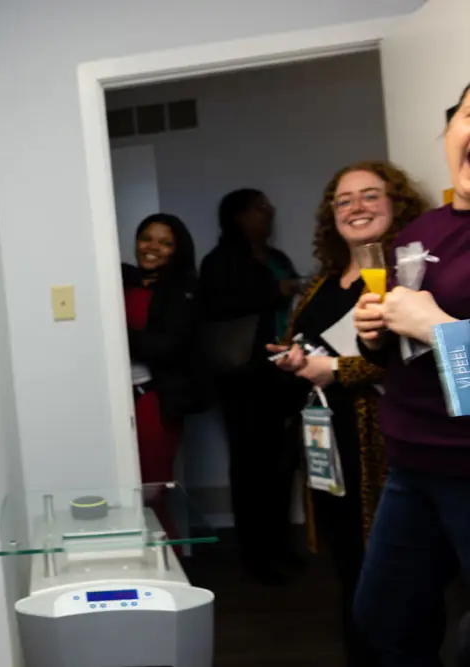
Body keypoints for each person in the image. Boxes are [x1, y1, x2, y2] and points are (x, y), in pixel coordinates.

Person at [266, 161, 429, 667]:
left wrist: (335, 369)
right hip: (328, 449)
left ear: (396, 203)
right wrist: (295, 358)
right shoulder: (322, 284)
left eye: (370, 195)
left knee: (395, 584)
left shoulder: (410, 275)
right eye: (343, 200)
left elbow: (415, 357)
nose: (356, 207)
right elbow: (306, 342)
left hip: (386, 447)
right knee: (350, 571)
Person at [351, 82, 470, 667]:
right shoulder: (420, 231)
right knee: (384, 620)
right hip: (411, 466)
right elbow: (400, 350)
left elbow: (431, 330)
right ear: (449, 133)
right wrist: (373, 335)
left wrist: (438, 326)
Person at [199, 188, 302, 583]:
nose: (269, 211)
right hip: (242, 379)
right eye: (260, 207)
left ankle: (281, 545)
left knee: (283, 464)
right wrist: (275, 291)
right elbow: (215, 308)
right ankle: (256, 556)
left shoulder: (276, 258)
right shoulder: (220, 261)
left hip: (285, 373)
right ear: (239, 216)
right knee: (250, 467)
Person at [121, 214, 200, 487]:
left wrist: (119, 336)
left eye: (165, 243)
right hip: (116, 397)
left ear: (177, 250)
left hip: (154, 398)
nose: (152, 247)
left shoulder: (184, 290)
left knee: (152, 484)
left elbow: (169, 346)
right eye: (146, 239)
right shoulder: (120, 279)